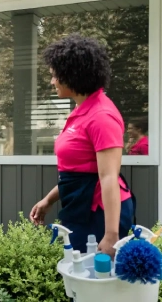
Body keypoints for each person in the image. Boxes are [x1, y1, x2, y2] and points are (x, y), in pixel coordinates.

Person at [29, 34, 135, 258]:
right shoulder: (81, 111)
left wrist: (111, 235)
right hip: (80, 205)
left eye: (55, 76)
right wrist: (48, 200)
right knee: (79, 279)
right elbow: (78, 173)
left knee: (97, 281)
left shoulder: (102, 116)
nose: (52, 81)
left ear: (71, 75)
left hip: (99, 214)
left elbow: (108, 177)